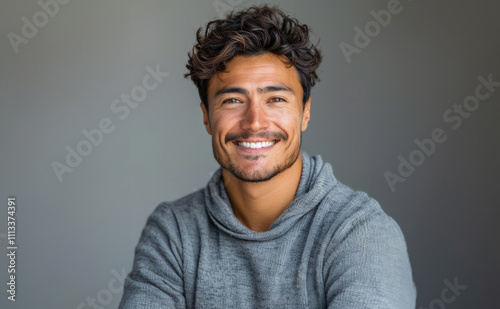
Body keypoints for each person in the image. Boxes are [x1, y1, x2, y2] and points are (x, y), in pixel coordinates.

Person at [118, 5, 416, 308]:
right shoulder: (173, 232)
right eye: (233, 100)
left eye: (275, 99)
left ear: (305, 113)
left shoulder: (360, 232)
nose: (255, 122)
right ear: (207, 118)